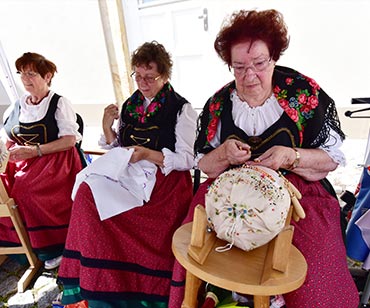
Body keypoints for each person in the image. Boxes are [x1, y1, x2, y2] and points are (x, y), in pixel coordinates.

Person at [168, 9, 359, 308]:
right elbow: (203, 164)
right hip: (231, 191)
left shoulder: (303, 94)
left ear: (274, 57)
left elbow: (331, 159)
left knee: (314, 266)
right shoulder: (219, 104)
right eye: (239, 66)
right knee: (196, 246)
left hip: (297, 194)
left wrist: (291, 156)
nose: (250, 75)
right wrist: (223, 154)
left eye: (259, 63)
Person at [57, 41, 198, 308]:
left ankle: (144, 291)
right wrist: (106, 126)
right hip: (131, 173)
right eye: (138, 76)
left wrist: (148, 154)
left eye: (150, 77)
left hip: (164, 180)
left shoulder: (181, 109)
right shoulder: (131, 105)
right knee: (87, 195)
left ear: (165, 76)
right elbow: (119, 147)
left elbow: (187, 159)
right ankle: (100, 284)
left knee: (112, 207)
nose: (143, 83)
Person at [0, 52, 83, 270]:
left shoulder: (58, 103)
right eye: (22, 74)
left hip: (55, 162)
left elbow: (69, 141)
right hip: (25, 161)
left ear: (47, 76)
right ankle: (18, 241)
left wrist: (34, 151)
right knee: (3, 188)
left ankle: (54, 247)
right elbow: (8, 138)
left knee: (26, 190)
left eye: (31, 74)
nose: (25, 79)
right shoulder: (17, 106)